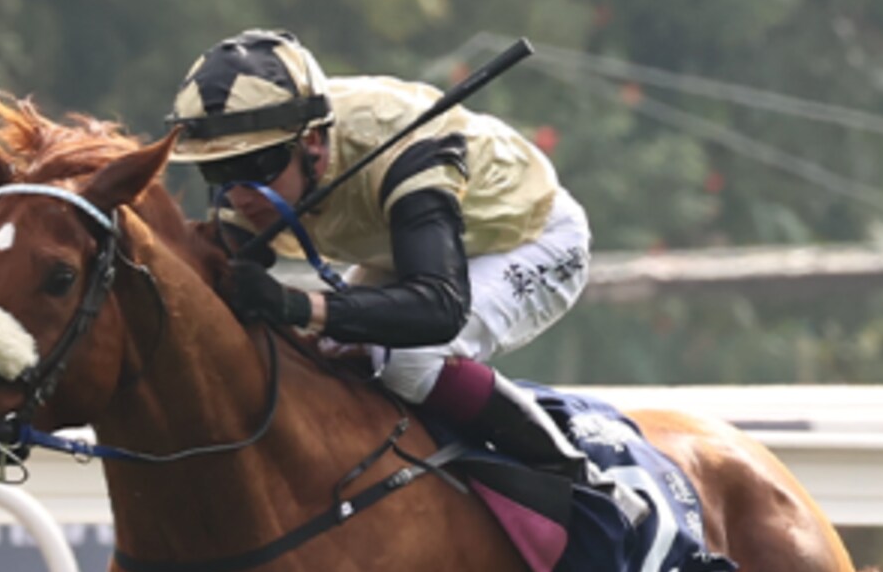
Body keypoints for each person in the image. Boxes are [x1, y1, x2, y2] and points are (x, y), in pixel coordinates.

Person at [166, 28, 609, 514]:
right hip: (407, 250)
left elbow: (438, 308)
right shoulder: (259, 158)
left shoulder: (406, 149)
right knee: (329, 352)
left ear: (312, 141)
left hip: (529, 238)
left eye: (255, 165)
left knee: (406, 359)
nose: (237, 194)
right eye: (218, 171)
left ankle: (576, 480)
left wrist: (293, 304)